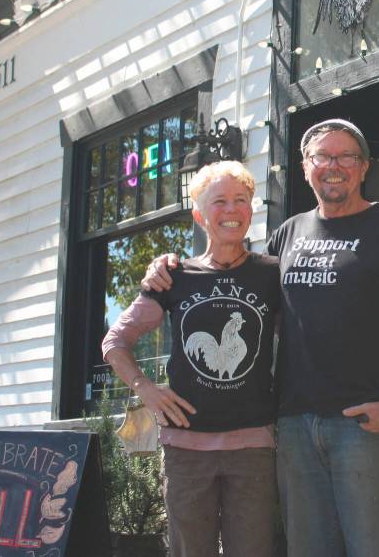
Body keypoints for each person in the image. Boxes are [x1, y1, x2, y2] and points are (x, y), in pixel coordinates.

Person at [143, 119, 379, 557]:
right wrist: (170, 265)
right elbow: (237, 282)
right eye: (322, 157)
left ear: (363, 167)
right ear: (306, 168)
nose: (333, 166)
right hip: (294, 424)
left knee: (370, 549)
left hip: (364, 423)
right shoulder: (289, 234)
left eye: (345, 157)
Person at [103, 161, 280, 557]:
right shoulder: (174, 277)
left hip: (252, 446)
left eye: (240, 200)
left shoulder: (272, 275)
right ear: (200, 215)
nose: (231, 210)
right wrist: (145, 389)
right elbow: (116, 341)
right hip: (185, 448)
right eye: (219, 201)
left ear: (251, 211)